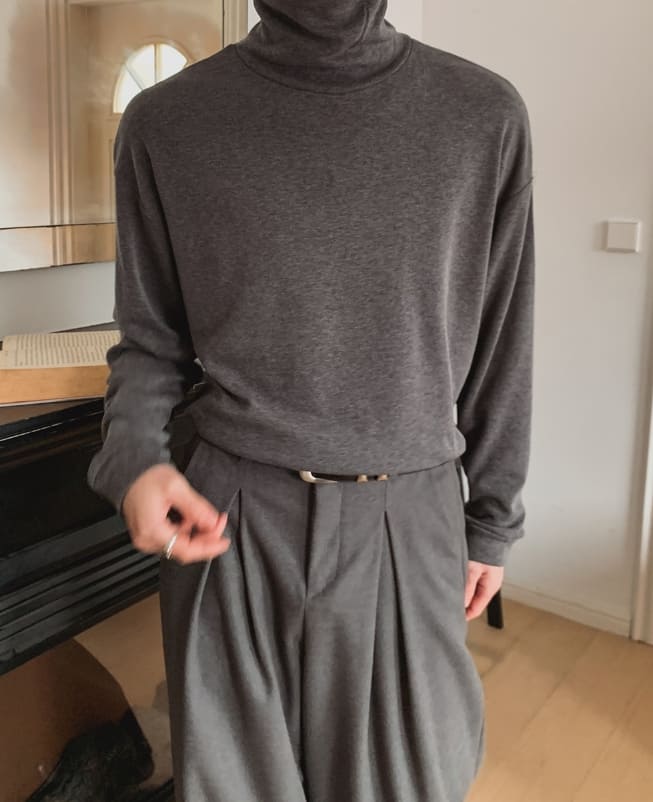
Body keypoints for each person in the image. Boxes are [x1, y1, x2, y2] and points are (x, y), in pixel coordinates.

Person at [87, 1, 535, 800]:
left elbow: (502, 339)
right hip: (229, 520)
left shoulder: (482, 116)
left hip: (411, 519)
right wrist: (134, 460)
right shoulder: (166, 123)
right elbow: (150, 339)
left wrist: (491, 520)